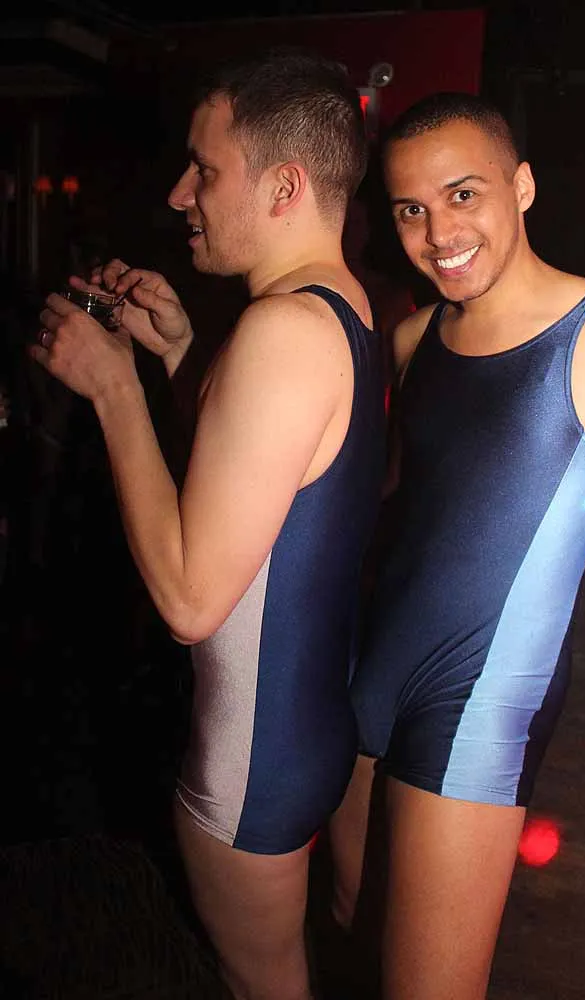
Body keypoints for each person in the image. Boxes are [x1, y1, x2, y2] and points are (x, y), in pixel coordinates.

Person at [326, 92, 585, 1000]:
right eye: (409, 209)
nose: (438, 233)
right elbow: (399, 509)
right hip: (366, 678)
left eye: (462, 195)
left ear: (521, 186)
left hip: (477, 703)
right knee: (351, 935)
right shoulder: (410, 338)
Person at [31, 50, 385, 1000]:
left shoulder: (280, 332)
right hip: (310, 728)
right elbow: (273, 488)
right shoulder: (339, 308)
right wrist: (180, 353)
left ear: (284, 186)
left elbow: (191, 602)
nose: (180, 193)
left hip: (249, 764)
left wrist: (112, 389)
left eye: (204, 169)